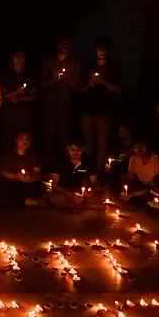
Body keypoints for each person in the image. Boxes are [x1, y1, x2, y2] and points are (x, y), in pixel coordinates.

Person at [80, 36, 123, 173]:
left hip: (105, 109)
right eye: (100, 49)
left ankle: (99, 171)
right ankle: (86, 169)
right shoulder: (88, 66)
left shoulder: (114, 67)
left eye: (105, 49)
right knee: (88, 141)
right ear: (95, 50)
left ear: (109, 51)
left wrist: (103, 81)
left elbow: (118, 89)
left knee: (102, 141)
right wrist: (90, 84)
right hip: (89, 108)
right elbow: (80, 89)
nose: (102, 52)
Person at [40, 36, 79, 170]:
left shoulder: (74, 64)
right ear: (57, 45)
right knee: (49, 138)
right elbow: (42, 84)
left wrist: (68, 80)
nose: (64, 46)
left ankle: (61, 169)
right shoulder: (48, 63)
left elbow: (76, 88)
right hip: (50, 106)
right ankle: (47, 168)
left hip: (65, 106)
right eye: (62, 43)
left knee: (64, 138)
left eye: (67, 43)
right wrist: (53, 79)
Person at [0, 49, 36, 146]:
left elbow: (34, 95)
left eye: (22, 56)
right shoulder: (6, 75)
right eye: (17, 55)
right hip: (10, 114)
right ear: (12, 57)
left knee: (24, 139)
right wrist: (15, 92)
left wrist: (21, 98)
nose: (20, 58)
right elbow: (2, 96)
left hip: (25, 114)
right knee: (8, 139)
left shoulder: (30, 75)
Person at [0, 131, 42, 207]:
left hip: (27, 183)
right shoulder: (8, 154)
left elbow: (37, 173)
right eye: (22, 139)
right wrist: (17, 175)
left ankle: (20, 200)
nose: (24, 141)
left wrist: (31, 177)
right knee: (4, 188)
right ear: (16, 140)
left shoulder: (33, 155)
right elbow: (2, 171)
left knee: (40, 186)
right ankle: (24, 200)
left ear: (30, 141)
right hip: (12, 182)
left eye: (27, 139)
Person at [47, 140, 92, 209]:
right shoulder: (59, 161)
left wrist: (90, 191)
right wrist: (69, 195)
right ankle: (84, 206)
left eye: (78, 149)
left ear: (83, 149)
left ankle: (69, 205)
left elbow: (94, 182)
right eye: (72, 149)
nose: (75, 152)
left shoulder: (88, 160)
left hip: (80, 192)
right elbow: (54, 185)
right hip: (64, 192)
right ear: (68, 148)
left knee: (103, 195)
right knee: (56, 198)